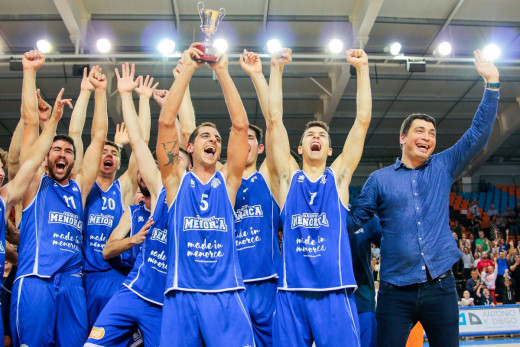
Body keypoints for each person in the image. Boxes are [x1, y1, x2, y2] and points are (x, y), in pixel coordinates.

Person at [348, 49, 499, 347]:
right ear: (402, 138)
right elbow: (353, 220)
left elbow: (477, 134)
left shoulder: (443, 165)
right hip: (394, 291)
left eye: (431, 133)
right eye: (420, 131)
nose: (427, 137)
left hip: (440, 288)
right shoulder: (380, 180)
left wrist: (492, 83)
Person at [268, 46, 371, 346]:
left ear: (329, 150)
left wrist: (362, 70)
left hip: (335, 291)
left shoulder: (338, 178)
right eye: (310, 136)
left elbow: (362, 121)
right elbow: (275, 121)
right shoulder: (288, 177)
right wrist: (276, 69)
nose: (316, 137)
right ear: (299, 149)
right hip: (291, 293)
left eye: (322, 136)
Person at [85, 62, 193, 346]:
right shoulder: (159, 191)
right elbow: (138, 141)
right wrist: (124, 96)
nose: (174, 164)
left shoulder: (198, 203)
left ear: (190, 171)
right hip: (131, 292)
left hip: (164, 301)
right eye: (171, 161)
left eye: (180, 162)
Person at [158, 45, 255, 346]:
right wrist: (187, 68)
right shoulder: (175, 181)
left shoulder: (228, 183)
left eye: (216, 138)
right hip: (182, 292)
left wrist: (223, 72)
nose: (213, 140)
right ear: (190, 146)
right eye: (205, 136)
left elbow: (240, 126)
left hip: (225, 292)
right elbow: (164, 123)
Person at [11, 51, 108, 345]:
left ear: (73, 160)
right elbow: (30, 124)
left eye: (68, 151)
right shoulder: (34, 185)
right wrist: (29, 73)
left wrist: (101, 93)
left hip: (72, 284)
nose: (62, 154)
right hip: (36, 280)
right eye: (56, 150)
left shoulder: (79, 188)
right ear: (45, 157)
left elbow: (99, 137)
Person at [81, 73, 155, 329]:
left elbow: (141, 144)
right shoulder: (84, 187)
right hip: (87, 275)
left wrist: (143, 101)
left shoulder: (122, 187)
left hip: (118, 274)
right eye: (104, 152)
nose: (109, 155)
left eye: (114, 153)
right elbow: (94, 138)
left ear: (119, 161)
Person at [235, 49, 282, 346]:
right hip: (231, 284)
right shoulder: (224, 181)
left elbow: (273, 121)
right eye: (240, 138)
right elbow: (190, 134)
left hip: (268, 282)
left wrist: (257, 76)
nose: (245, 142)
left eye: (251, 138)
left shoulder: (267, 175)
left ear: (260, 147)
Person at [349, 216, 382, 347]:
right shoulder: (324, 213)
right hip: (332, 300)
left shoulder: (366, 217)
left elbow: (392, 245)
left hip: (362, 300)